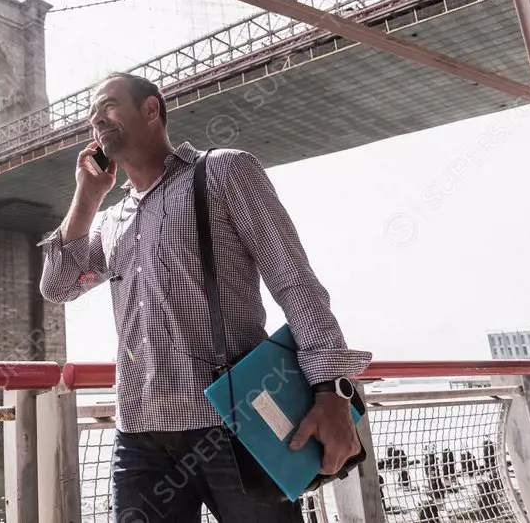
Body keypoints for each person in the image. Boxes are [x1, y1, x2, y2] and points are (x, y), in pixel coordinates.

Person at [38, 73, 372, 523]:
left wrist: (331, 388)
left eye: (108, 106)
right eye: (91, 116)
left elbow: (293, 280)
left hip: (233, 429)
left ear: (151, 109)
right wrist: (86, 196)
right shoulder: (113, 219)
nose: (95, 118)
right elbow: (58, 286)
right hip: (139, 435)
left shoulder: (224, 172)